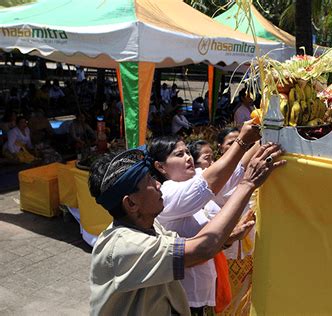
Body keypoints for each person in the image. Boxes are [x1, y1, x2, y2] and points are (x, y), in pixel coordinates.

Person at [88, 143, 284, 315]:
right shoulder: (128, 245)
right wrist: (248, 183)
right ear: (131, 203)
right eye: (149, 181)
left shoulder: (148, 226)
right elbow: (201, 249)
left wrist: (226, 239)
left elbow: (188, 250)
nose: (158, 185)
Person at [147, 123, 262, 313]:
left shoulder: (194, 178)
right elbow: (210, 184)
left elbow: (236, 170)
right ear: (160, 166)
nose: (188, 157)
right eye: (179, 154)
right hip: (183, 298)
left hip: (204, 293)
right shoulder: (167, 194)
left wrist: (263, 138)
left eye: (187, 152)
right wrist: (242, 141)